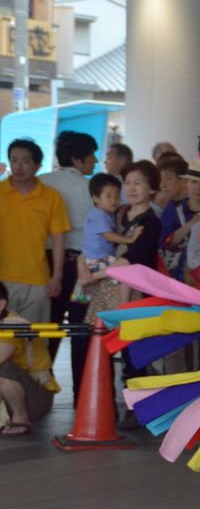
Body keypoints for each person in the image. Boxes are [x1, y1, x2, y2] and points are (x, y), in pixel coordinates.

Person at [39, 131, 99, 385]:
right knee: (80, 327)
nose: (95, 160)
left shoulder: (40, 182)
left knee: (47, 327)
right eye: (90, 155)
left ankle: (43, 383)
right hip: (80, 269)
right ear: (76, 159)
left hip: (45, 265)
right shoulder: (89, 189)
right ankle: (81, 390)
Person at [0, 139, 70, 324]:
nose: (18, 166)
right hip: (1, 279)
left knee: (33, 341)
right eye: (14, 160)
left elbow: (59, 238)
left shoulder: (51, 197)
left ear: (37, 165)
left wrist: (57, 276)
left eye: (25, 161)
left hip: (37, 280)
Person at [0, 282, 60, 436]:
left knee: (2, 368)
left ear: (1, 304)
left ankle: (21, 417)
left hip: (35, 400)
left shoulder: (12, 325)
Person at [71, 173, 141, 304]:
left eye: (117, 196)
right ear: (96, 198)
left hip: (95, 256)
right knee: (125, 272)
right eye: (108, 196)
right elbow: (108, 235)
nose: (114, 200)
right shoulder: (100, 215)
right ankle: (123, 306)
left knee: (90, 294)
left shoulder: (107, 213)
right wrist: (130, 239)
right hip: (98, 257)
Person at [160, 158, 200, 283]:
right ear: (186, 183)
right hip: (174, 271)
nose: (198, 188)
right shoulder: (173, 208)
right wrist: (191, 224)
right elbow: (165, 242)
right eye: (194, 182)